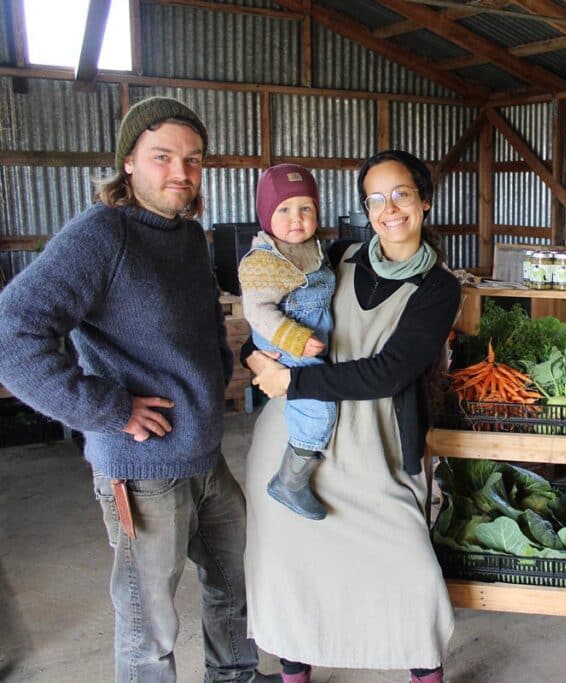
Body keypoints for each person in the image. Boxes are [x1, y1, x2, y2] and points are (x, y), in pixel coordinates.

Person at [0, 96, 279, 683]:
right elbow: (12, 336)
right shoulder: (100, 234)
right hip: (142, 469)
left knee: (236, 587)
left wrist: (223, 362)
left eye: (193, 159)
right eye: (162, 157)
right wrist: (109, 408)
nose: (180, 172)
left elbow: (198, 323)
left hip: (206, 456)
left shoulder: (185, 234)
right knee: (148, 621)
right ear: (128, 162)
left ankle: (236, 677)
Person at [243, 150, 461, 683]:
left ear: (423, 201)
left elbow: (389, 371)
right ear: (366, 208)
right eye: (376, 198)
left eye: (401, 194)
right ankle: (295, 673)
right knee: (295, 569)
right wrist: (250, 356)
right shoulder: (334, 256)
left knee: (408, 571)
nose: (389, 209)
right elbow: (269, 315)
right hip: (296, 442)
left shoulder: (439, 287)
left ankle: (424, 673)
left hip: (376, 446)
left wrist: (293, 380)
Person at [240, 164, 335, 521]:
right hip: (285, 343)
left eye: (306, 209)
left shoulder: (315, 250)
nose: (297, 219)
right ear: (266, 214)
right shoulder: (266, 260)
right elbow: (257, 310)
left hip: (308, 338)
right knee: (318, 408)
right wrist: (296, 340)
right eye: (284, 210)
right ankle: (290, 480)